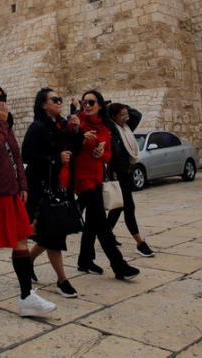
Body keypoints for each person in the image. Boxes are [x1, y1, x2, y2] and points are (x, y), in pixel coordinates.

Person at [0, 82, 56, 318]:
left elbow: (15, 154)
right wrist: (2, 123)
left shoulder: (5, 123)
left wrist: (22, 184)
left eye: (2, 97)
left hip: (9, 191)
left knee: (20, 241)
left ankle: (27, 297)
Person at [68, 90, 140, 280]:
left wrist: (102, 155)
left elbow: (109, 154)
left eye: (91, 102)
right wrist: (82, 139)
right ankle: (119, 265)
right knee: (101, 222)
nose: (87, 106)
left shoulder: (105, 127)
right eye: (85, 102)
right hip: (82, 179)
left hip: (97, 177)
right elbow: (69, 146)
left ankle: (84, 260)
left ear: (100, 105)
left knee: (92, 222)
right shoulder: (77, 121)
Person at [22, 87, 83, 298]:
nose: (59, 102)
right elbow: (27, 154)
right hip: (41, 188)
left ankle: (28, 261)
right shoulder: (38, 127)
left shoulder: (61, 125)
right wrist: (55, 159)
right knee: (54, 234)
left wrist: (76, 131)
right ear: (43, 104)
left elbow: (74, 148)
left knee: (51, 232)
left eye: (60, 99)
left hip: (59, 186)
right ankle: (62, 280)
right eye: (55, 99)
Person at [105, 102, 155, 257]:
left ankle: (105, 235)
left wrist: (122, 107)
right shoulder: (112, 130)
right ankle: (140, 243)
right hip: (116, 175)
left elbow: (137, 114)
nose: (126, 117)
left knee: (117, 208)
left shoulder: (127, 128)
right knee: (128, 207)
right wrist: (108, 109)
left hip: (126, 173)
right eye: (122, 115)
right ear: (113, 117)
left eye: (126, 114)